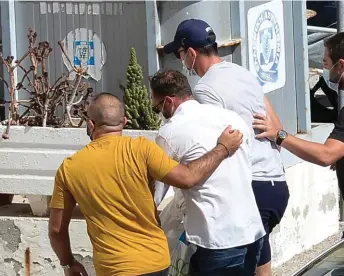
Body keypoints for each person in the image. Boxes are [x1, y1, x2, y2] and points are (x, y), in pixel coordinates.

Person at [48, 92, 243, 276]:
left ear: (91, 125)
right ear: (124, 122)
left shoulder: (69, 168)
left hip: (114, 268)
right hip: (155, 262)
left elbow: (56, 230)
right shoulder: (142, 149)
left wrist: (68, 263)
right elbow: (188, 177)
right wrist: (223, 148)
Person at [162, 18, 289, 276]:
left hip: (252, 185)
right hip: (276, 182)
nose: (181, 61)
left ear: (192, 53)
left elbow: (224, 138)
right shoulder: (243, 73)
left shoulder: (205, 89)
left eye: (179, 54)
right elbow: (276, 125)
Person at [253, 32, 344, 238]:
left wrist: (279, 135)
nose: (324, 70)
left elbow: (326, 155)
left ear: (341, 65)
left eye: (326, 63)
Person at [150, 69, 265, 276]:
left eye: (157, 108)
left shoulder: (170, 133)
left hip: (215, 238)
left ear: (168, 101)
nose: (159, 113)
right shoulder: (232, 118)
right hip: (251, 230)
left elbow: (155, 194)